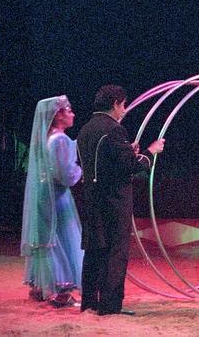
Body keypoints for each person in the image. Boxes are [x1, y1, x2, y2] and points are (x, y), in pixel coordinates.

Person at [77, 85, 165, 315]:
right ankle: (110, 305)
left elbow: (107, 161)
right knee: (116, 252)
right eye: (124, 104)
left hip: (91, 200)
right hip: (113, 202)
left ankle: (89, 302)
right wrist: (150, 152)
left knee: (94, 251)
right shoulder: (114, 130)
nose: (124, 110)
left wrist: (129, 150)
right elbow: (131, 168)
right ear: (115, 103)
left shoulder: (85, 129)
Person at [21, 95, 84, 307]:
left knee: (48, 238)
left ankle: (41, 286)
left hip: (46, 196)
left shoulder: (46, 139)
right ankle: (60, 290)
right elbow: (65, 174)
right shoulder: (59, 140)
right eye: (69, 110)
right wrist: (81, 171)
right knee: (62, 239)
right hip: (56, 198)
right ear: (58, 116)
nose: (73, 114)